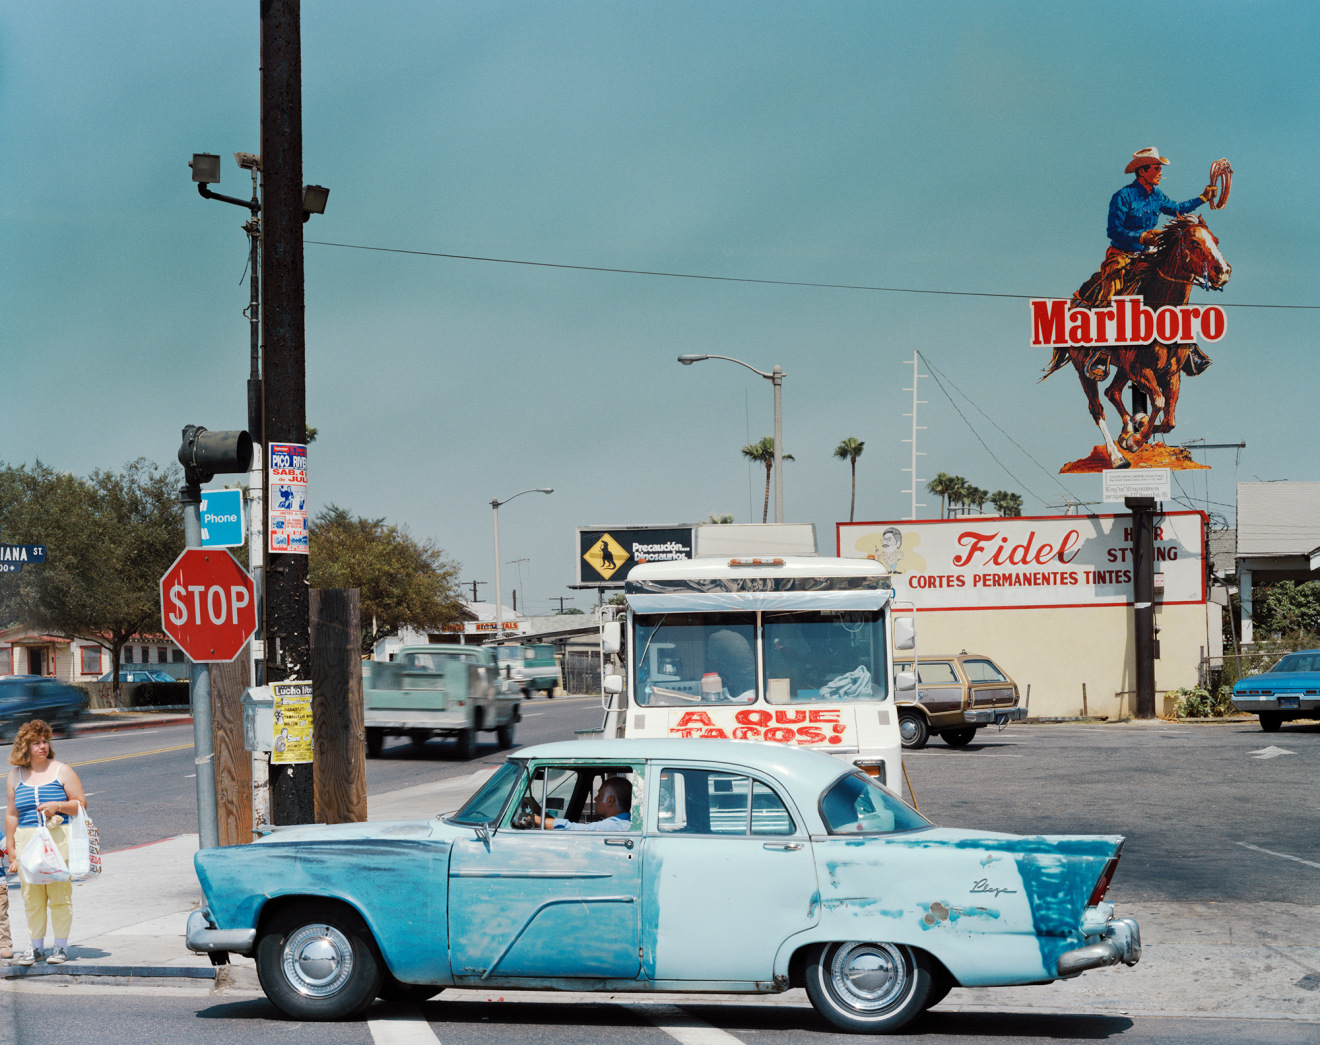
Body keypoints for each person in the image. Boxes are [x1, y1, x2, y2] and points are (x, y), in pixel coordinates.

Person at [1072, 147, 1217, 380]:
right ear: (1142, 171)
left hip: (1149, 255)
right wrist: (1140, 236)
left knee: (1172, 285)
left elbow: (1177, 210)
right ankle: (1101, 350)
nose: (1160, 172)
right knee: (1113, 289)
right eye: (1157, 168)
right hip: (1122, 254)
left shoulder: (1157, 195)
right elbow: (1114, 230)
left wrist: (1202, 198)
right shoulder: (1122, 197)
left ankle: (1187, 347)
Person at [6, 719, 88, 966]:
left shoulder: (61, 770)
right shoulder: (14, 775)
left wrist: (58, 806)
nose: (42, 747)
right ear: (25, 747)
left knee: (59, 896)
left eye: (45, 742)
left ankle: (60, 947)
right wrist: (11, 850)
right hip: (27, 840)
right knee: (32, 898)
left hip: (57, 839)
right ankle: (36, 947)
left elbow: (81, 803)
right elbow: (12, 813)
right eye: (36, 743)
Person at [536, 778, 632, 832]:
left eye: (599, 794)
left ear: (610, 801)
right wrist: (538, 811)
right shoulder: (625, 822)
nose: (595, 798)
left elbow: (576, 829)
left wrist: (537, 820)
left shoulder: (615, 825)